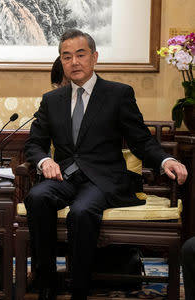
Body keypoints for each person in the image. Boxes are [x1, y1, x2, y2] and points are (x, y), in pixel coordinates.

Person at [24, 29, 187, 300]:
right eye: (67, 57)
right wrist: (43, 161)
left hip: (102, 179)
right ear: (61, 62)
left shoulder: (118, 94)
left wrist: (166, 160)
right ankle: (47, 282)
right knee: (37, 196)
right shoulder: (52, 100)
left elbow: (141, 140)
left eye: (80, 54)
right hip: (65, 178)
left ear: (94, 57)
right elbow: (33, 143)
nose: (74, 62)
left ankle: (79, 289)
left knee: (82, 211)